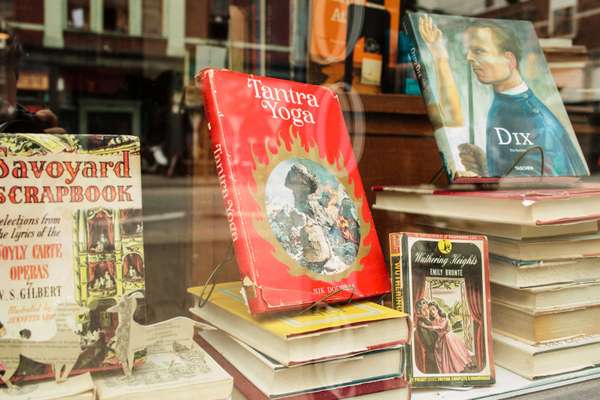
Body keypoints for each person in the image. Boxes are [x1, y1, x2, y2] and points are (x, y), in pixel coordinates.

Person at [418, 14, 587, 177]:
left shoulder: (531, 118)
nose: (469, 58)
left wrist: (486, 178)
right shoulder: (508, 100)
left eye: (478, 51)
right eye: (469, 52)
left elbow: (540, 182)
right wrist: (487, 170)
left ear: (509, 60)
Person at [425, 301, 473, 374]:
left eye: (433, 309)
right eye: (430, 310)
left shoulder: (443, 318)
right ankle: (454, 368)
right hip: (441, 340)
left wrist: (426, 326)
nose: (432, 312)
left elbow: (442, 327)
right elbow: (435, 330)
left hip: (449, 337)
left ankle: (466, 363)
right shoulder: (432, 321)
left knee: (453, 346)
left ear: (437, 310)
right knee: (445, 352)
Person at [414, 299, 439, 373]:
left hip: (436, 354)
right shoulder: (421, 323)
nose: (427, 311)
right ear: (419, 312)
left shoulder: (430, 320)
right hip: (432, 356)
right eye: (424, 309)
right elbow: (429, 343)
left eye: (427, 308)